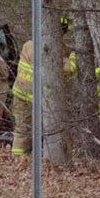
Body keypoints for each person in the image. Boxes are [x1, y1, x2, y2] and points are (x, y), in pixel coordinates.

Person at [11, 18, 75, 156]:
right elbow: (67, 68)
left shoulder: (30, 44)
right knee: (27, 130)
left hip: (26, 95)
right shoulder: (43, 48)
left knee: (25, 129)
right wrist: (74, 57)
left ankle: (21, 158)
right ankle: (19, 159)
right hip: (31, 97)